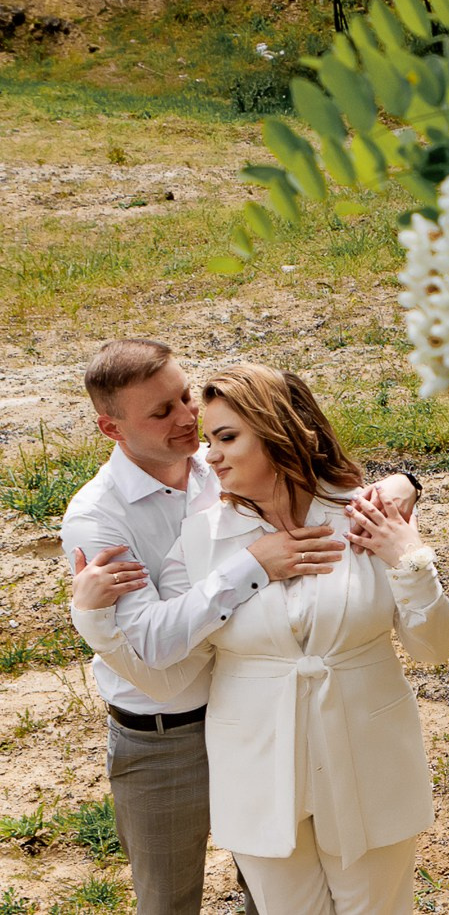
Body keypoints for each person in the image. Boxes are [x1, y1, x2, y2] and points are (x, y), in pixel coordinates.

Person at [60, 340, 420, 915]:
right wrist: (252, 566)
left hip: (261, 714)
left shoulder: (221, 463)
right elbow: (153, 645)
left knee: (276, 896)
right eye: (161, 412)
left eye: (184, 397)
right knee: (168, 902)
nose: (186, 418)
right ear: (111, 428)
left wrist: (404, 482)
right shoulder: (97, 518)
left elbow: (319, 477)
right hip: (164, 732)